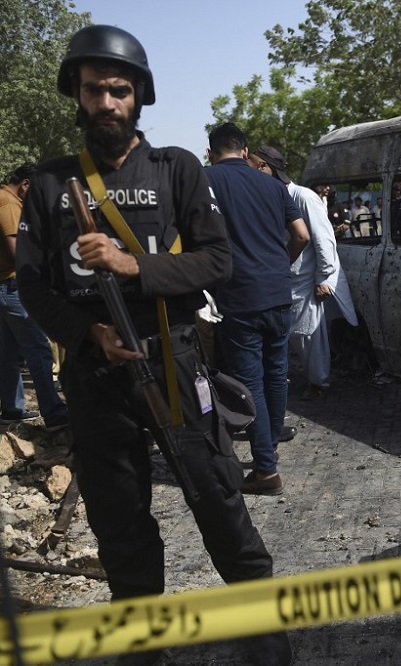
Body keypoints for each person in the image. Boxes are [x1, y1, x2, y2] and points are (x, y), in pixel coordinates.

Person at [16, 25, 291, 663]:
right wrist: (86, 333)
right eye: (94, 92)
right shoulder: (54, 184)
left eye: (119, 90)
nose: (106, 103)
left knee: (220, 503)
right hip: (95, 375)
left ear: (139, 96)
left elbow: (218, 262)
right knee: (120, 526)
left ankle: (266, 641)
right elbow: (32, 286)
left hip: (174, 366)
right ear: (78, 98)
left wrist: (135, 266)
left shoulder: (177, 170)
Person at [207, 125, 309, 497]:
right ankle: (269, 444)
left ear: (210, 152)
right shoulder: (274, 185)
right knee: (276, 374)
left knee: (251, 384)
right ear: (246, 150)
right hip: (279, 292)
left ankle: (266, 470)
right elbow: (301, 235)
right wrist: (279, 266)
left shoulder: (206, 181)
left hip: (239, 296)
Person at [253, 144, 357, 400]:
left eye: (253, 167)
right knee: (295, 336)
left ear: (266, 167)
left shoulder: (303, 197)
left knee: (311, 336)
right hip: (286, 280)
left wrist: (324, 278)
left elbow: (324, 240)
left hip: (307, 280)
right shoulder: (273, 196)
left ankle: (319, 383)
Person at [0, 164, 69, 429]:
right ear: (26, 184)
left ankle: (12, 409)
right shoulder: (8, 203)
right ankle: (54, 413)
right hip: (11, 287)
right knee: (39, 349)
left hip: (4, 288)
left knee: (7, 352)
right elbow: (17, 251)